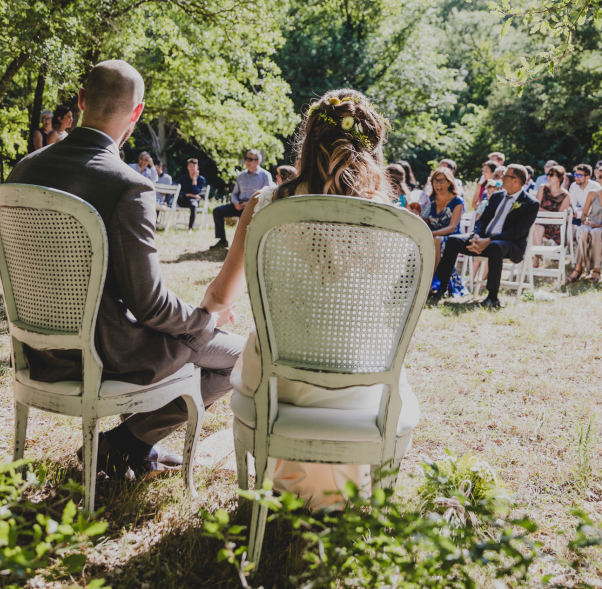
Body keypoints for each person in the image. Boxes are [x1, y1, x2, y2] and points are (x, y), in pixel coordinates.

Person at [6, 60, 242, 479]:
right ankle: (126, 442)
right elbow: (149, 305)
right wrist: (204, 318)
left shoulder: (23, 170)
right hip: (106, 353)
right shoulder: (129, 184)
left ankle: (126, 445)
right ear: (137, 113)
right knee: (241, 355)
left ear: (80, 101)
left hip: (37, 352)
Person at [203, 88, 418, 508]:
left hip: (276, 381)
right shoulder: (396, 223)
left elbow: (220, 295)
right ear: (372, 148)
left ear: (308, 139)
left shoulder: (264, 205)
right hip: (364, 381)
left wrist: (207, 313)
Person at [430, 164, 539, 308]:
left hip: (509, 244)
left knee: (494, 246)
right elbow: (483, 220)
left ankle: (492, 298)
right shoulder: (497, 196)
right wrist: (476, 236)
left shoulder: (530, 203)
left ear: (516, 181)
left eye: (506, 176)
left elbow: (516, 232)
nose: (502, 178)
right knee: (453, 240)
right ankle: (442, 288)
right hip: (483, 239)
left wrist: (488, 240)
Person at [568, 165, 602, 283]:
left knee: (596, 232)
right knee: (583, 231)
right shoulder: (593, 193)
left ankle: (597, 269)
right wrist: (585, 220)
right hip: (591, 225)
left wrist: (599, 226)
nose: (597, 179)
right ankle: (578, 268)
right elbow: (584, 215)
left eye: (600, 177)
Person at [211, 150, 273, 249]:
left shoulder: (265, 175)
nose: (247, 161)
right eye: (246, 159)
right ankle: (222, 240)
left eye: (250, 159)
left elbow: (266, 196)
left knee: (244, 215)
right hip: (239, 204)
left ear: (257, 162)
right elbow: (234, 193)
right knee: (217, 211)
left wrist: (248, 204)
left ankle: (242, 246)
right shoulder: (241, 175)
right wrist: (235, 203)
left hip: (253, 206)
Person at [420, 167, 467, 295]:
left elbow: (452, 227)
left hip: (450, 238)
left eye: (441, 181)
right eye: (435, 181)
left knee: (438, 240)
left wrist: (432, 234)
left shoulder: (457, 201)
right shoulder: (429, 201)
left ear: (449, 182)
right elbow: (423, 221)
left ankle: (429, 282)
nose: (437, 184)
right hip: (430, 236)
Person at [531, 164, 570, 266]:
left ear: (560, 178)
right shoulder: (542, 188)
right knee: (537, 225)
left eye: (551, 175)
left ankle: (537, 256)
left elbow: (559, 217)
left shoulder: (566, 195)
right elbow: (535, 207)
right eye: (548, 174)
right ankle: (537, 254)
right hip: (539, 223)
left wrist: (545, 213)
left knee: (536, 225)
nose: (548, 177)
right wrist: (551, 214)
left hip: (554, 227)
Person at [568, 163, 601, 229]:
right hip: (580, 214)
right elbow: (572, 205)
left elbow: (598, 208)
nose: (576, 177)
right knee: (570, 220)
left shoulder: (596, 187)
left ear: (587, 177)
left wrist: (579, 214)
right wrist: (572, 213)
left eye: (579, 175)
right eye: (575, 175)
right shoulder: (573, 186)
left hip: (595, 217)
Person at [177, 158, 207, 232]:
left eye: (194, 166)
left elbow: (196, 192)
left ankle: (190, 228)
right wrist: (191, 195)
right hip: (183, 200)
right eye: (190, 166)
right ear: (187, 167)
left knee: (194, 205)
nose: (192, 168)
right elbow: (180, 193)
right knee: (176, 195)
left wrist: (194, 179)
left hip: (193, 201)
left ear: (197, 167)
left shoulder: (201, 179)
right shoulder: (183, 179)